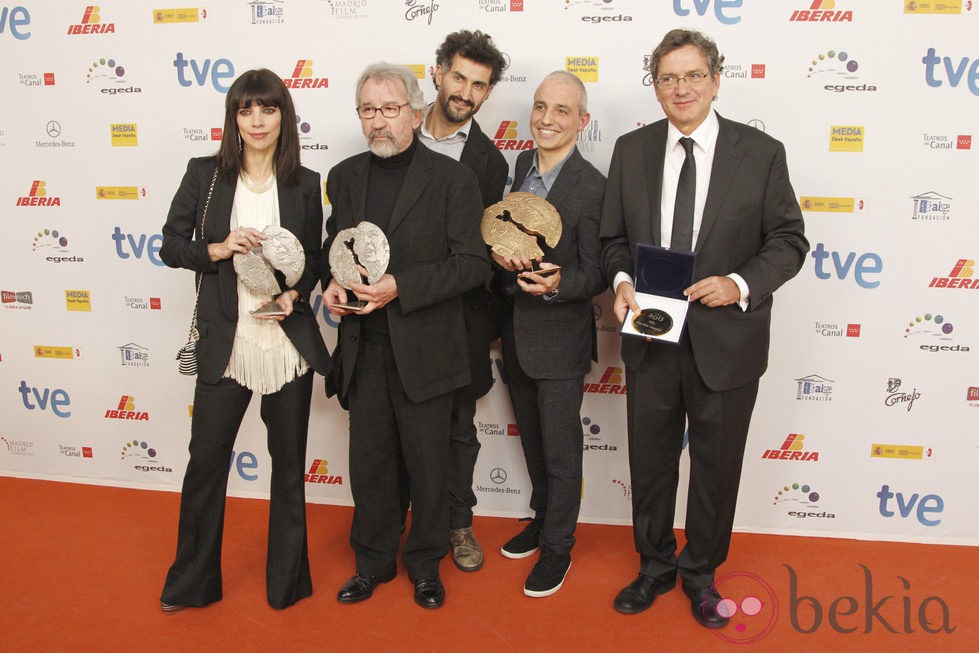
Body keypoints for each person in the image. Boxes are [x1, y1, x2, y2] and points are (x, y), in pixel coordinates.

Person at [599, 29, 809, 628]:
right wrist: (618, 282)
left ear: (716, 80)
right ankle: (654, 567)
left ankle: (700, 573)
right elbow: (612, 238)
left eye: (693, 75)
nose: (681, 88)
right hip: (651, 335)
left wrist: (738, 284)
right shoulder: (630, 150)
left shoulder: (761, 153)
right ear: (656, 86)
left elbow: (789, 241)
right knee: (652, 460)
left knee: (717, 467)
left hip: (728, 341)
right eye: (668, 77)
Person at [158, 69, 330, 612]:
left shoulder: (305, 181)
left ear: (285, 116)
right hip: (225, 343)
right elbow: (169, 246)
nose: (257, 121)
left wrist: (296, 292)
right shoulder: (204, 173)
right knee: (205, 466)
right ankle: (192, 584)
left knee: (288, 468)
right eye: (246, 110)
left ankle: (287, 584)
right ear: (234, 118)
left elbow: (319, 257)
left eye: (269, 109)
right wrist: (218, 248)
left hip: (285, 342)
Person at [322, 63, 489, 609]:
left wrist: (402, 287)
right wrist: (330, 286)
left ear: (416, 114)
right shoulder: (344, 176)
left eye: (390, 109)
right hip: (364, 350)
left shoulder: (453, 180)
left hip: (427, 351)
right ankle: (371, 563)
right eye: (368, 110)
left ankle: (424, 565)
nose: (379, 121)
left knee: (428, 465)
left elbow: (472, 266)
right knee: (370, 465)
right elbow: (337, 251)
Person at [492, 71, 605, 597]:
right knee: (535, 445)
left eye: (561, 110)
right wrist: (500, 259)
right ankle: (542, 520)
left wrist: (560, 284)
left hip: (560, 340)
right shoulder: (519, 167)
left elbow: (596, 272)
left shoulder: (595, 185)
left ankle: (559, 545)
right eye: (540, 107)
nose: (547, 119)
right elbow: (505, 238)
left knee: (561, 452)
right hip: (515, 334)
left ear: (581, 121)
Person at [417, 29, 509, 572]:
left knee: (457, 429)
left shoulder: (490, 164)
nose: (466, 93)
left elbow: (485, 254)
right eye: (458, 77)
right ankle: (399, 522)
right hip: (395, 310)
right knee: (397, 421)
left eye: (479, 85)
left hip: (460, 319)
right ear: (437, 73)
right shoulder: (396, 130)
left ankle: (458, 524)